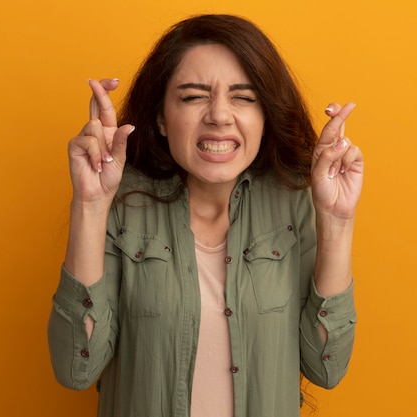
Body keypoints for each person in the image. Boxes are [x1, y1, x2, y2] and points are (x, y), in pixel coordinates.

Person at [48, 13, 363, 417]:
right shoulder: (121, 203)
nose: (219, 115)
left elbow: (326, 366)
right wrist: (91, 206)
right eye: (193, 96)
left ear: (265, 118)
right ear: (161, 117)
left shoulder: (296, 202)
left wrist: (336, 222)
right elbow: (77, 368)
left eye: (244, 98)